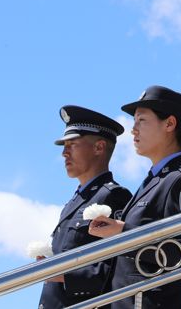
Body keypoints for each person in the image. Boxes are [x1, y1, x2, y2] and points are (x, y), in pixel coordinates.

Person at [87, 85, 181, 309]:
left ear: (169, 124)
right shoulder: (155, 181)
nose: (133, 130)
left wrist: (123, 232)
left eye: (141, 120)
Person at [37, 105, 132, 309]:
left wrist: (61, 274)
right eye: (64, 146)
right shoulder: (74, 201)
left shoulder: (114, 196)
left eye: (72, 144)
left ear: (99, 147)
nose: (64, 153)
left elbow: (118, 268)